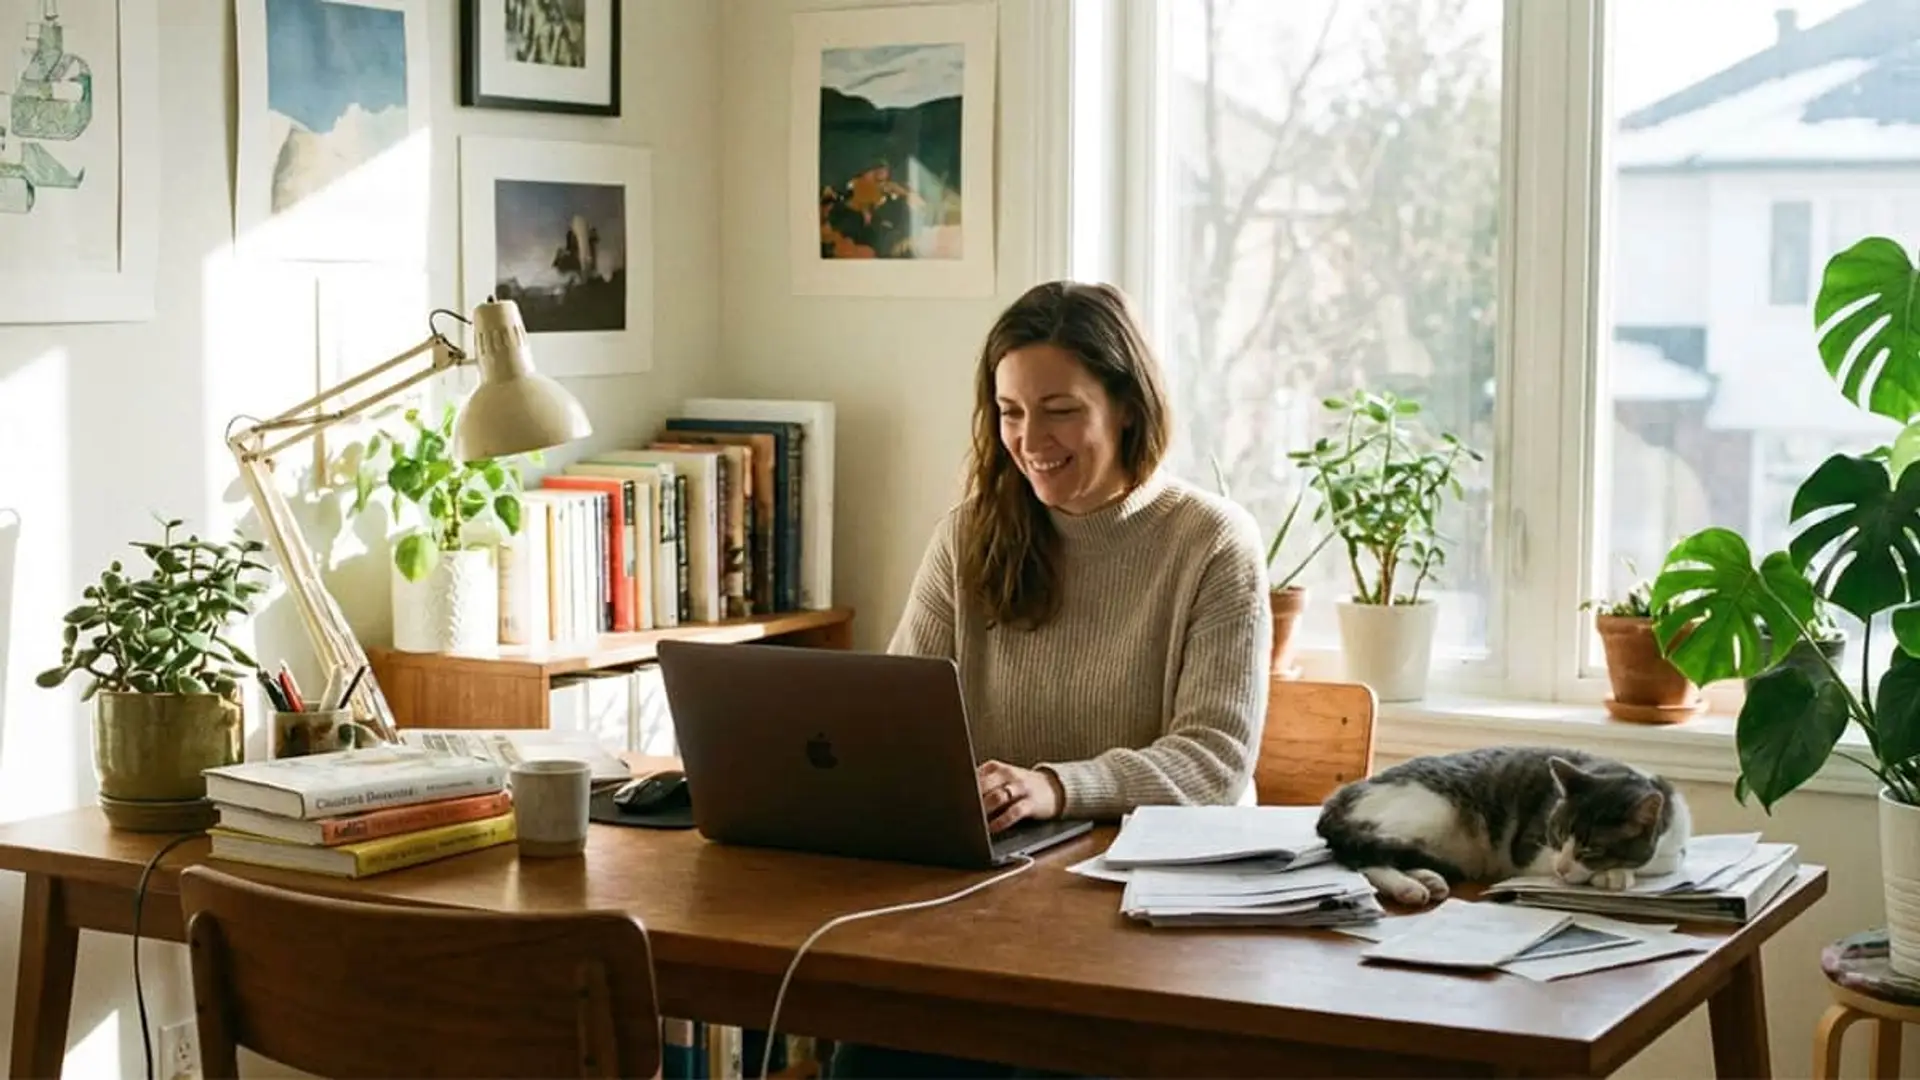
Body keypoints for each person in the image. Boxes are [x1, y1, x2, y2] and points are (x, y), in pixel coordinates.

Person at [824, 281, 1273, 1079]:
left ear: (1126, 406)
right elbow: (890, 716)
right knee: (867, 1048)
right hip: (988, 909)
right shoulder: (969, 537)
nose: (1031, 439)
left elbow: (1214, 762)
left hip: (1156, 919)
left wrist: (1055, 787)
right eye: (1010, 412)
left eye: (1060, 409)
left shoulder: (1211, 544)